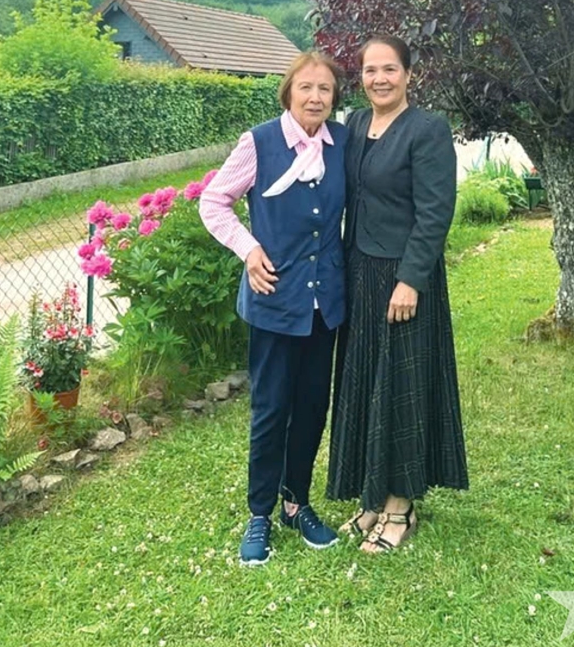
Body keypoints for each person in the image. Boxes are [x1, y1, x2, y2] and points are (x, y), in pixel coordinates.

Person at [200, 51, 348, 566]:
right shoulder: (259, 142)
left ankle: (296, 503)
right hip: (274, 301)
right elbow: (213, 202)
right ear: (288, 92)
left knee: (311, 408)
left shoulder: (342, 143)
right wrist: (248, 249)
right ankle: (260, 512)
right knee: (271, 410)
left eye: (325, 89)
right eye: (306, 87)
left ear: (334, 97)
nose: (315, 97)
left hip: (324, 304)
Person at [327, 35, 468, 553]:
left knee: (401, 384)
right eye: (370, 70)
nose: (379, 79)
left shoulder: (428, 129)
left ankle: (400, 506)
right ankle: (371, 498)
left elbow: (435, 212)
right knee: (366, 381)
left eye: (389, 69)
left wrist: (411, 279)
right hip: (359, 270)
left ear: (409, 74)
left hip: (403, 277)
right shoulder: (354, 125)